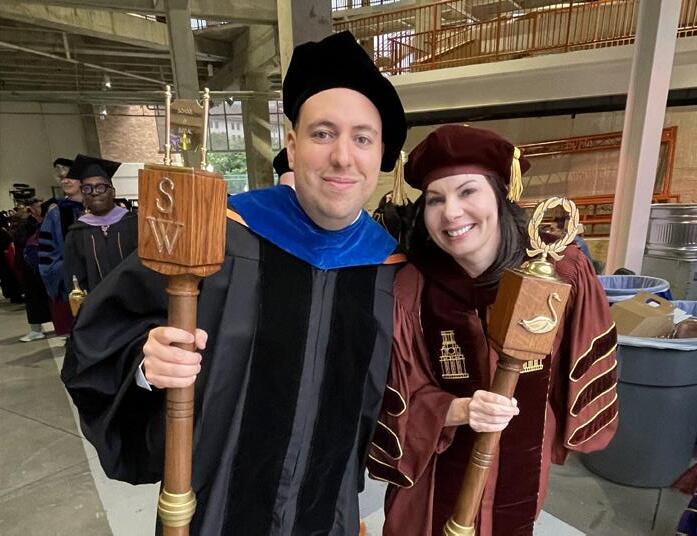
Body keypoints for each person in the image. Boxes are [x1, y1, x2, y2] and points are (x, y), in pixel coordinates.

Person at [61, 31, 407, 536]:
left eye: (361, 138)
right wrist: (145, 362)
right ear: (292, 145)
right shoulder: (221, 237)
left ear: (379, 155)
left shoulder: (388, 267)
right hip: (216, 512)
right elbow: (103, 335)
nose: (342, 157)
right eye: (323, 133)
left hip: (327, 513)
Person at [367, 125, 619, 536]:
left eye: (468, 192)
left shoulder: (561, 271)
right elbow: (393, 388)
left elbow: (582, 367)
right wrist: (455, 409)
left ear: (501, 197)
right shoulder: (411, 287)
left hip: (521, 459)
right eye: (435, 199)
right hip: (434, 474)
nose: (451, 213)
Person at [63, 155, 137, 293]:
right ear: (83, 196)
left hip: (136, 306)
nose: (94, 193)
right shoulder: (76, 233)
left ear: (113, 192)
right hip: (97, 309)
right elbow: (74, 278)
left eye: (100, 187)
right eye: (87, 189)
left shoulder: (134, 224)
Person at [39, 157, 82, 335]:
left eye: (69, 176)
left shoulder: (99, 208)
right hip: (75, 284)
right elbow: (48, 254)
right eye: (61, 177)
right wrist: (65, 276)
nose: (65, 180)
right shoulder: (55, 213)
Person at [14, 198, 52, 341]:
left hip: (48, 264)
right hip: (32, 268)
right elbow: (19, 241)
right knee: (34, 298)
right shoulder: (26, 224)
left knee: (52, 296)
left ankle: (59, 324)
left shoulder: (49, 220)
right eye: (37, 206)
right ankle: (36, 329)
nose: (40, 209)